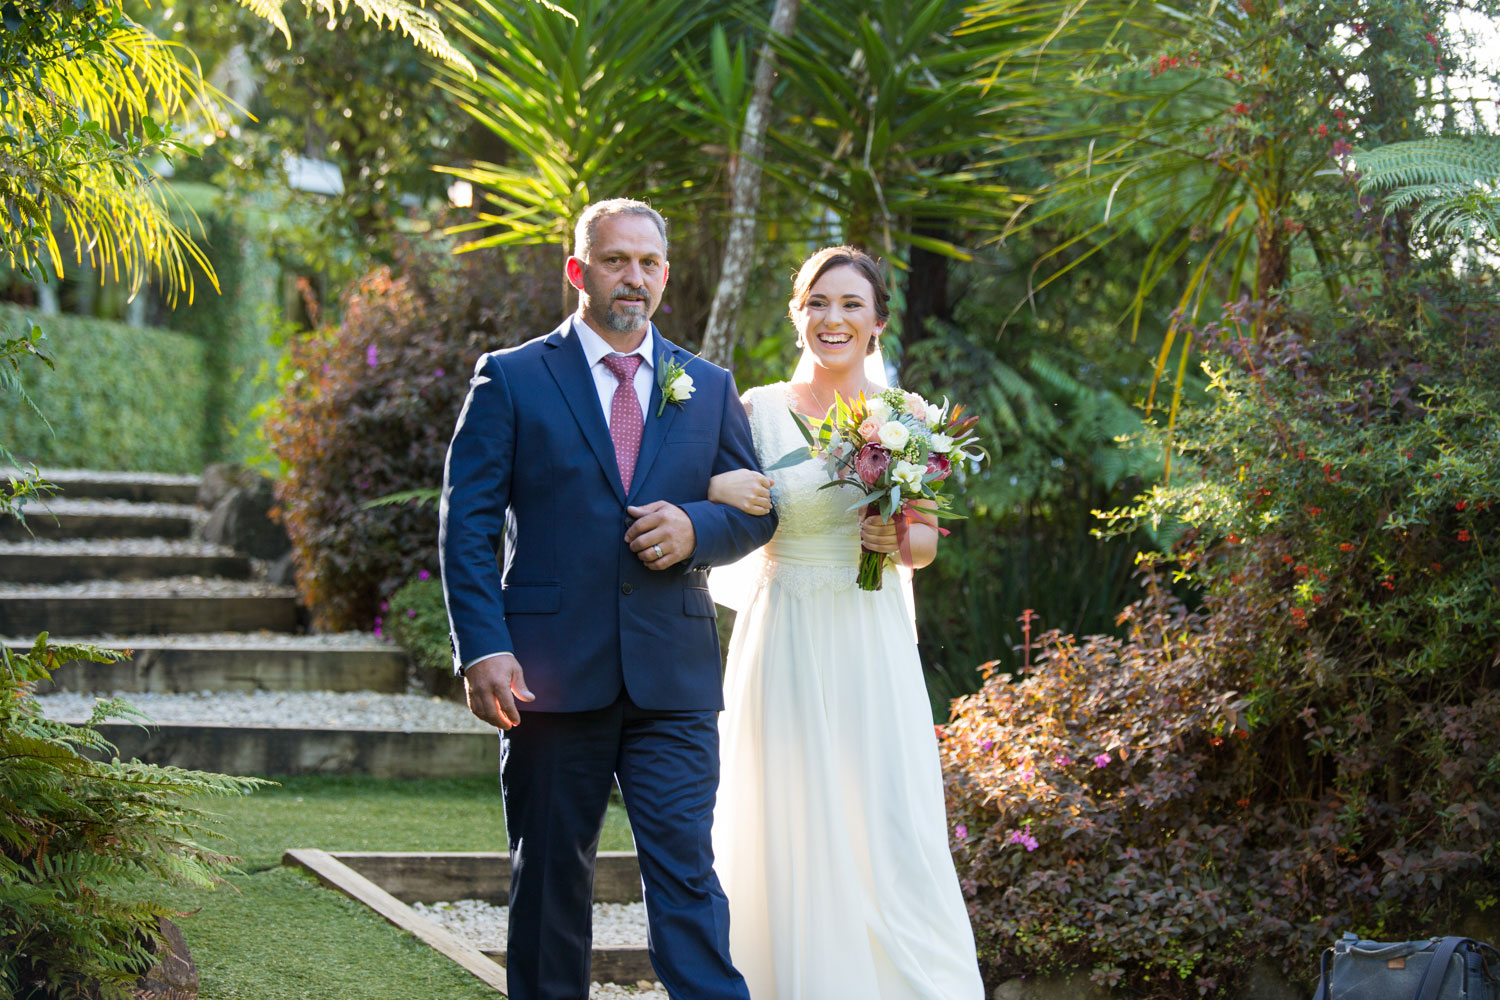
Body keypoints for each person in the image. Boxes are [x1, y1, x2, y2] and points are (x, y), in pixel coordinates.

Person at [439, 198, 777, 1000]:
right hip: (550, 678)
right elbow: (467, 522)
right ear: (578, 270)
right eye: (617, 260)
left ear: (667, 273)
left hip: (674, 677)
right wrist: (482, 647)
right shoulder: (513, 376)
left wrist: (696, 529)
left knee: (689, 877)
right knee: (553, 880)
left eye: (650, 262)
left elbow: (759, 511)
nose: (635, 277)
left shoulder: (707, 382)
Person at [707, 245, 985, 998]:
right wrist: (722, 484)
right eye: (819, 303)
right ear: (798, 314)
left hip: (870, 636)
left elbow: (925, 544)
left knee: (881, 811)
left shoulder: (908, 417)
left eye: (851, 305)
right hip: (785, 627)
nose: (834, 318)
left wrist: (897, 540)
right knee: (785, 809)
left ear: (877, 323)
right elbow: (715, 502)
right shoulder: (754, 409)